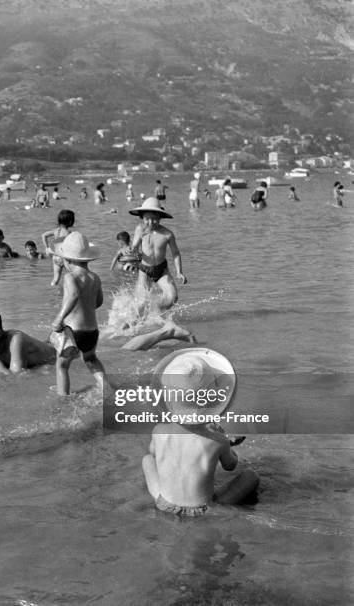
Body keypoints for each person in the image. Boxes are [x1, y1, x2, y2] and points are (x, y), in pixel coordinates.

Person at [141, 348, 259, 516]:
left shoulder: (159, 431)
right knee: (250, 476)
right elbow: (230, 465)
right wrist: (227, 444)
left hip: (163, 502)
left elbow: (153, 453)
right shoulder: (217, 440)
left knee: (147, 460)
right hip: (203, 510)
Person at [49, 232, 111, 395]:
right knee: (91, 359)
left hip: (73, 331)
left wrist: (59, 317)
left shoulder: (70, 277)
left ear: (67, 259)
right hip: (92, 331)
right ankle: (107, 389)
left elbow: (74, 295)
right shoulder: (95, 277)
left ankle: (63, 398)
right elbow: (98, 302)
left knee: (62, 365)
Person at [129, 197, 186, 311]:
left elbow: (176, 253)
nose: (151, 222)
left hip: (161, 270)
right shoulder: (140, 229)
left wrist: (179, 272)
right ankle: (134, 321)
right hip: (144, 270)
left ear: (160, 218)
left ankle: (155, 312)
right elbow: (134, 246)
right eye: (147, 219)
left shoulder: (167, 234)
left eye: (154, 219)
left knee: (172, 297)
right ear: (142, 218)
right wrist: (131, 251)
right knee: (140, 304)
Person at [41, 209, 75, 286]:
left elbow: (43, 235)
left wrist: (47, 248)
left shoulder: (57, 231)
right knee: (71, 276)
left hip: (56, 257)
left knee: (56, 279)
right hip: (65, 258)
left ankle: (52, 290)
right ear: (70, 222)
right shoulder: (69, 233)